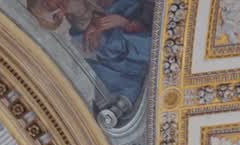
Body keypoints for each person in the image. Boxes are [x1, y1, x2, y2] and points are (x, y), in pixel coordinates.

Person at [24, 0, 152, 102]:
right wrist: (125, 24)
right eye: (56, 17)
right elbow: (146, 53)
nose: (58, 9)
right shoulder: (88, 39)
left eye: (48, 5)